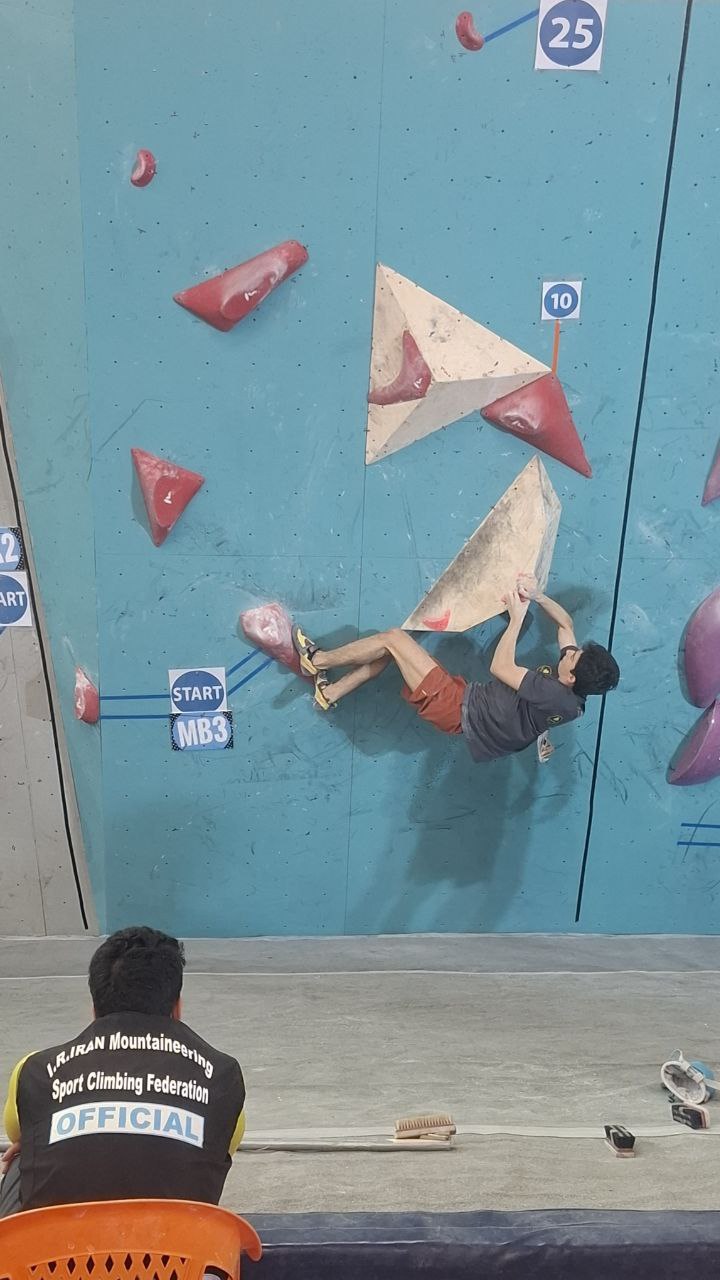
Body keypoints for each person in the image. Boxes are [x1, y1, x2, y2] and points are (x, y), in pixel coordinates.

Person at [0, 926, 246, 1216]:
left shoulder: (35, 1069)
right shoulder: (222, 1075)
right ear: (177, 1008)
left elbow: (18, 1131)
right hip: (176, 1243)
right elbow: (219, 1148)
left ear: (94, 1008)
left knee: (25, 1152)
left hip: (57, 1244)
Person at [291, 573, 619, 763]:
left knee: (393, 639)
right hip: (464, 702)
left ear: (570, 677)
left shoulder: (552, 691)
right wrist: (538, 596)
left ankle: (315, 660)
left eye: (572, 658)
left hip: (456, 707)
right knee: (397, 652)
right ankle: (330, 693)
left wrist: (516, 618)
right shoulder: (575, 701)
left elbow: (501, 667)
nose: (569, 653)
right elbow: (565, 625)